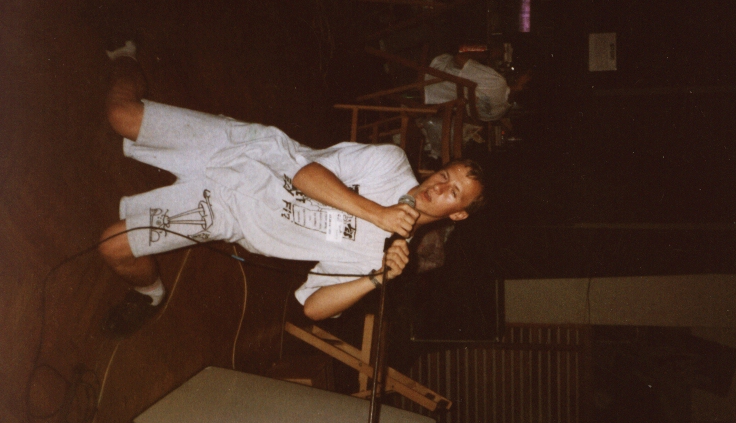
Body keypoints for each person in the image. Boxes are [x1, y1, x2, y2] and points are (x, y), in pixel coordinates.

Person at [98, 42, 486, 337]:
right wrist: (377, 214)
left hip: (230, 214)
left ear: (458, 213)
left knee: (113, 247)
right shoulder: (390, 164)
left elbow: (313, 308)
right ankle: (125, 57)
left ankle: (150, 293)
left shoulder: (380, 257)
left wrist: (376, 278)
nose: (439, 187)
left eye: (453, 193)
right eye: (444, 175)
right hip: (247, 150)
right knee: (121, 115)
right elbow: (302, 174)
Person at [419, 51, 531, 158]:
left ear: (522, 87)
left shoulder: (498, 83)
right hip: (433, 102)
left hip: (430, 75)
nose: (521, 74)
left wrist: (488, 54)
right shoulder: (499, 113)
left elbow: (459, 58)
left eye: (526, 76)